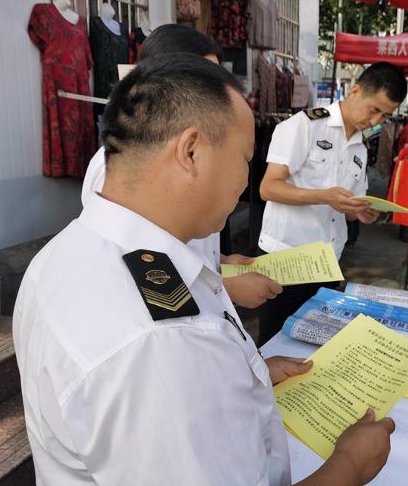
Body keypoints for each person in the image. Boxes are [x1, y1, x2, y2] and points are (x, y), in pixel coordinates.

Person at [13, 53, 395, 485]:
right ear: (191, 151)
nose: (246, 181)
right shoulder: (162, 343)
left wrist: (244, 375)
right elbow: (164, 374)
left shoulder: (62, 253)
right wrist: (350, 465)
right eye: (245, 159)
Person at [81, 23, 282, 310]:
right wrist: (222, 287)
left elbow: (185, 248)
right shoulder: (113, 167)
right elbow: (136, 272)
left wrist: (221, 263)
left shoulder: (199, 161)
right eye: (202, 80)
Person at [257, 62, 408, 344]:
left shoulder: (361, 148)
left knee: (311, 343)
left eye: (385, 115)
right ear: (355, 90)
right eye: (374, 109)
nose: (376, 121)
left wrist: (362, 212)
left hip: (327, 262)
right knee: (274, 343)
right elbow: (269, 187)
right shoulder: (305, 125)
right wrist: (324, 195)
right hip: (287, 255)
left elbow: (348, 206)